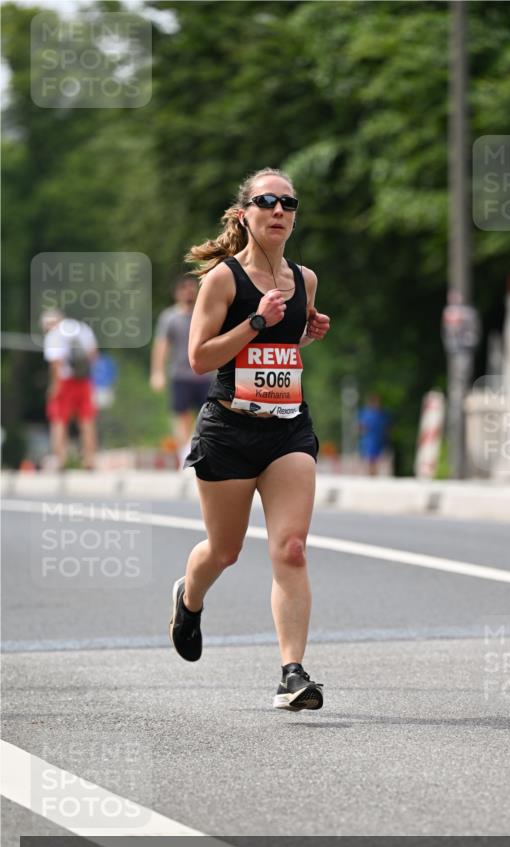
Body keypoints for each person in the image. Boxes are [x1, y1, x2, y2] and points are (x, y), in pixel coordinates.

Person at [168, 167, 330, 710]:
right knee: (226, 550)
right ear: (245, 213)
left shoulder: (304, 280)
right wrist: (256, 323)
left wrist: (304, 334)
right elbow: (198, 358)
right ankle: (189, 599)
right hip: (229, 430)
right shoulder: (221, 280)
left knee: (292, 548)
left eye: (289, 203)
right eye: (268, 201)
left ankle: (292, 674)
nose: (280, 211)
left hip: (288, 428)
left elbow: (280, 356)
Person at [150, 275, 211, 469]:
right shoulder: (170, 317)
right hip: (180, 374)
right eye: (185, 288)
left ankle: (196, 448)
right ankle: (184, 453)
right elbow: (161, 346)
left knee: (206, 415)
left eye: (192, 288)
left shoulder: (204, 314)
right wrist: (157, 372)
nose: (189, 292)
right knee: (181, 415)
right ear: (177, 293)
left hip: (203, 374)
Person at [41, 309, 98, 470]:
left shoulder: (54, 335)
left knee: (59, 420)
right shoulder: (82, 328)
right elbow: (93, 354)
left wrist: (54, 385)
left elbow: (56, 363)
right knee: (87, 419)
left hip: (64, 381)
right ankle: (89, 459)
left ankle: (60, 460)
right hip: (84, 380)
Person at [358, 393, 392, 475]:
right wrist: (363, 431)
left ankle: (374, 473)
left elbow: (388, 426)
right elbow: (361, 426)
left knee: (379, 457)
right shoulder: (366, 413)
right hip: (370, 439)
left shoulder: (382, 413)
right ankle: (371, 473)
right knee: (371, 457)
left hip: (380, 439)